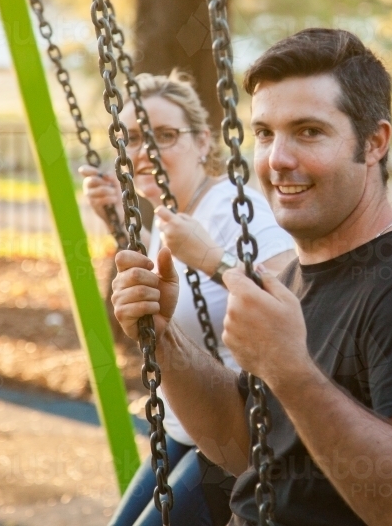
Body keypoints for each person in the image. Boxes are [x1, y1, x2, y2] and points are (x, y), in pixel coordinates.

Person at [109, 29, 392, 526]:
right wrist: (162, 337)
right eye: (266, 133)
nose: (277, 160)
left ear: (374, 142)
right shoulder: (294, 276)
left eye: (309, 131)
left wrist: (289, 370)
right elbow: (241, 446)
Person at [80, 70, 295, 526]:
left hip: (239, 431)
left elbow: (295, 294)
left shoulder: (231, 208)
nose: (146, 151)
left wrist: (211, 259)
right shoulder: (169, 213)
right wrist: (118, 219)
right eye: (134, 138)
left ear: (202, 143)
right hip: (186, 426)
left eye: (165, 135)